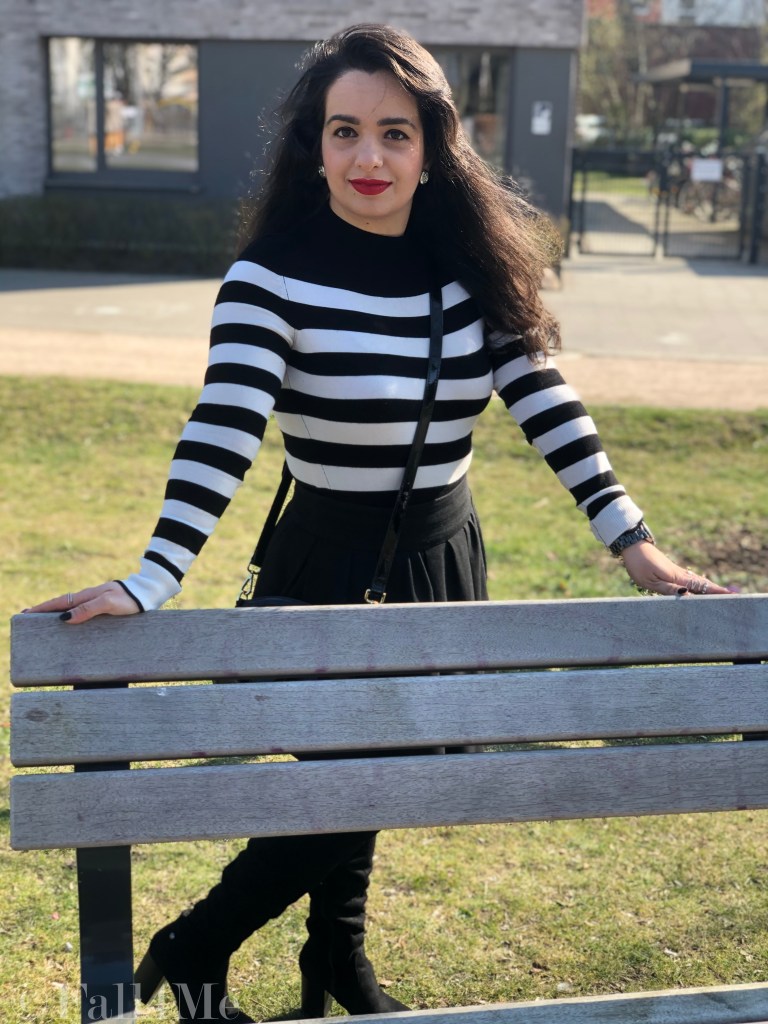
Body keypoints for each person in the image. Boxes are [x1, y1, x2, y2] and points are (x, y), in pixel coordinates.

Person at [25, 23, 730, 1023]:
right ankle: (202, 942)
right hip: (324, 557)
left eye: (395, 134)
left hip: (443, 550)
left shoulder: (473, 273)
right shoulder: (271, 278)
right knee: (341, 784)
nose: (369, 158)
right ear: (311, 143)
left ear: (435, 147)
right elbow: (222, 428)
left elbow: (552, 411)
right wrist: (153, 574)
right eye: (345, 130)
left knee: (385, 780)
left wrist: (638, 545)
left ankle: (331, 962)